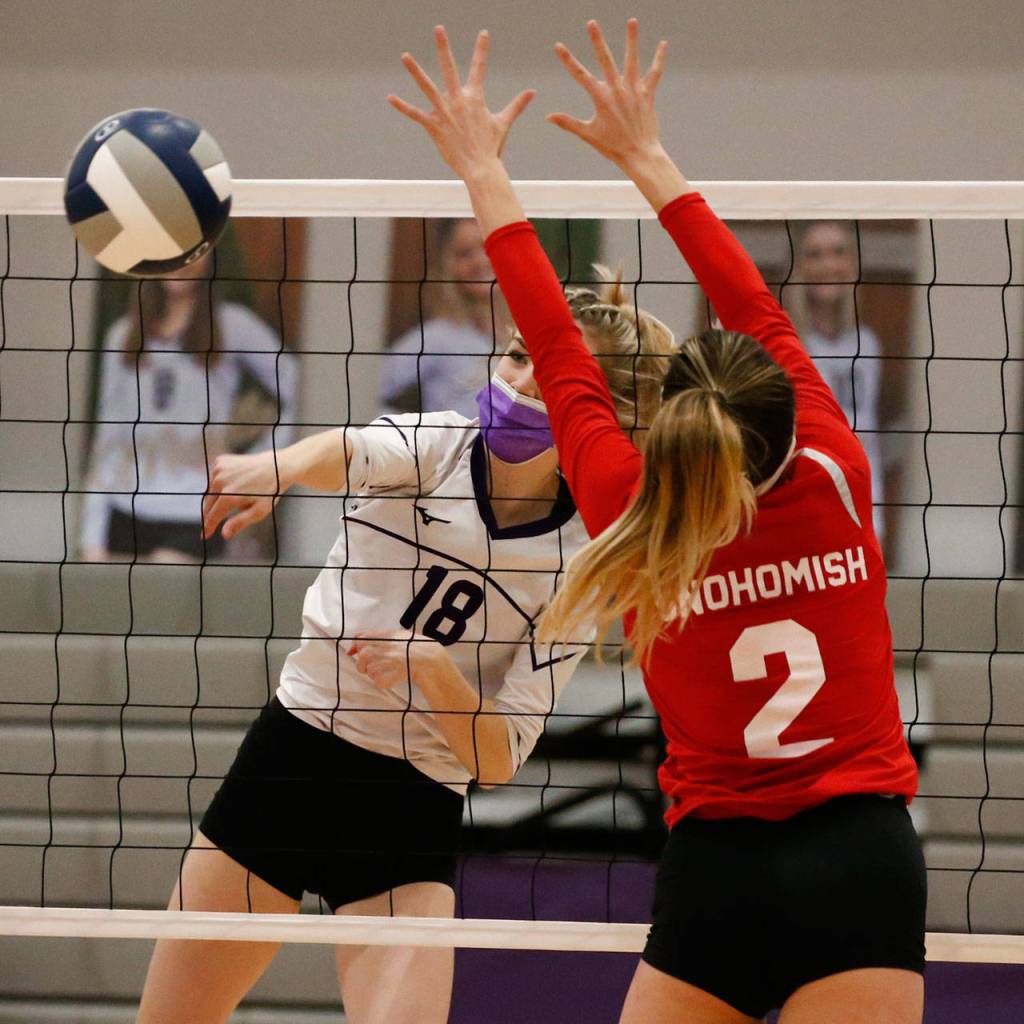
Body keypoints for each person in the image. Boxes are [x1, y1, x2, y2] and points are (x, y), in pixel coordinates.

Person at [390, 19, 924, 1024]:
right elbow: (756, 307)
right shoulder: (834, 467)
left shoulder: (629, 509)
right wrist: (648, 154)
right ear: (782, 412)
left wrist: (480, 167)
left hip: (714, 872)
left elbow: (552, 339)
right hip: (860, 861)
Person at [135, 260, 675, 1020]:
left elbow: (495, 759)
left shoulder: (584, 556)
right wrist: (274, 468)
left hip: (410, 812)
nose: (521, 379)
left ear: (603, 409)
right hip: (290, 768)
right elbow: (346, 451)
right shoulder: (439, 447)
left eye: (552, 369)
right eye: (517, 354)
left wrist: (433, 673)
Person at [79, 255, 297, 563]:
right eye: (168, 252)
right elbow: (108, 437)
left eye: (191, 252)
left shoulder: (231, 324)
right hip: (125, 509)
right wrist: (91, 535)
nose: (180, 262)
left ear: (209, 255)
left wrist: (256, 462)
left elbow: (303, 388)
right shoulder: (123, 333)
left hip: (195, 511)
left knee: (163, 589)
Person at [789, 220, 887, 542]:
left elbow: (868, 431)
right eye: (815, 254)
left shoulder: (868, 344)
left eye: (838, 252)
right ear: (800, 266)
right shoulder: (788, 343)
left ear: (853, 264)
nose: (828, 264)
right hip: (806, 495)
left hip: (863, 495)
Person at [380, 217, 510, 418]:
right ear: (450, 266)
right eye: (465, 254)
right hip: (458, 449)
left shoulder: (526, 332)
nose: (480, 261)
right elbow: (366, 386)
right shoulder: (436, 336)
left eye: (488, 248)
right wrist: (412, 434)